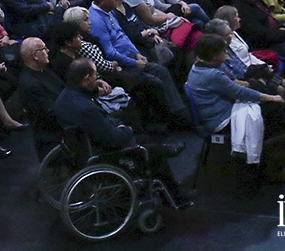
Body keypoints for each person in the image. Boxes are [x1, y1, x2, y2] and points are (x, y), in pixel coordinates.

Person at [53, 57, 194, 207]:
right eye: (95, 75)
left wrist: (118, 125)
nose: (97, 78)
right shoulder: (86, 109)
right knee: (151, 152)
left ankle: (165, 160)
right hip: (102, 153)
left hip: (83, 147)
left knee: (143, 138)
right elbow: (113, 139)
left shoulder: (65, 97)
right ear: (87, 78)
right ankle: (176, 196)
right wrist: (127, 129)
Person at [187, 34, 285, 184]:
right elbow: (240, 92)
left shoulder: (198, 67)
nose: (226, 54)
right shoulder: (212, 75)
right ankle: (277, 164)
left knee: (274, 114)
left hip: (224, 110)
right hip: (221, 120)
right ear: (214, 56)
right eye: (223, 52)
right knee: (273, 109)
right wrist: (270, 97)